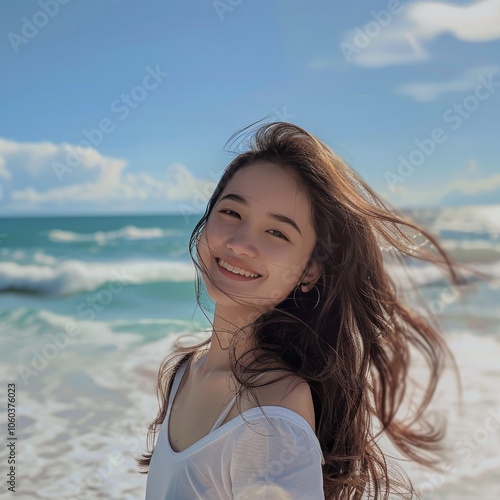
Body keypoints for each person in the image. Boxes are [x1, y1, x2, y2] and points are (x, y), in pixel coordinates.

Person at [137, 121, 480, 499]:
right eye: (232, 213)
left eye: (277, 233)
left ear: (309, 270)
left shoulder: (273, 414)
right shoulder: (185, 371)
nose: (240, 243)